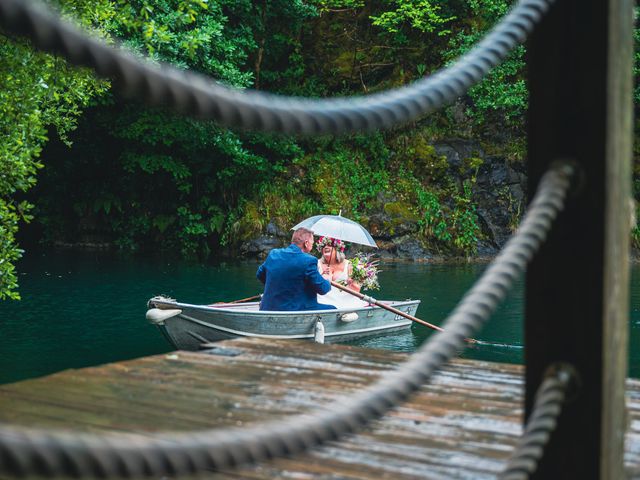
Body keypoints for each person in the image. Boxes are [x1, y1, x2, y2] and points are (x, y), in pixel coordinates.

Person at [257, 227, 336, 311]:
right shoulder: (309, 261)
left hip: (268, 308)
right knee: (333, 309)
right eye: (312, 243)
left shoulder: (274, 254)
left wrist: (278, 285)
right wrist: (328, 279)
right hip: (295, 310)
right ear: (306, 243)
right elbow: (323, 289)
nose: (312, 246)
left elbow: (259, 274)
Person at [315, 236, 369, 309]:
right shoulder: (316, 264)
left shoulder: (350, 265)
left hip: (346, 303)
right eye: (323, 245)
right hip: (321, 301)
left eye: (330, 244)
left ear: (338, 249)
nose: (326, 246)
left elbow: (357, 290)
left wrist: (351, 282)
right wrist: (322, 276)